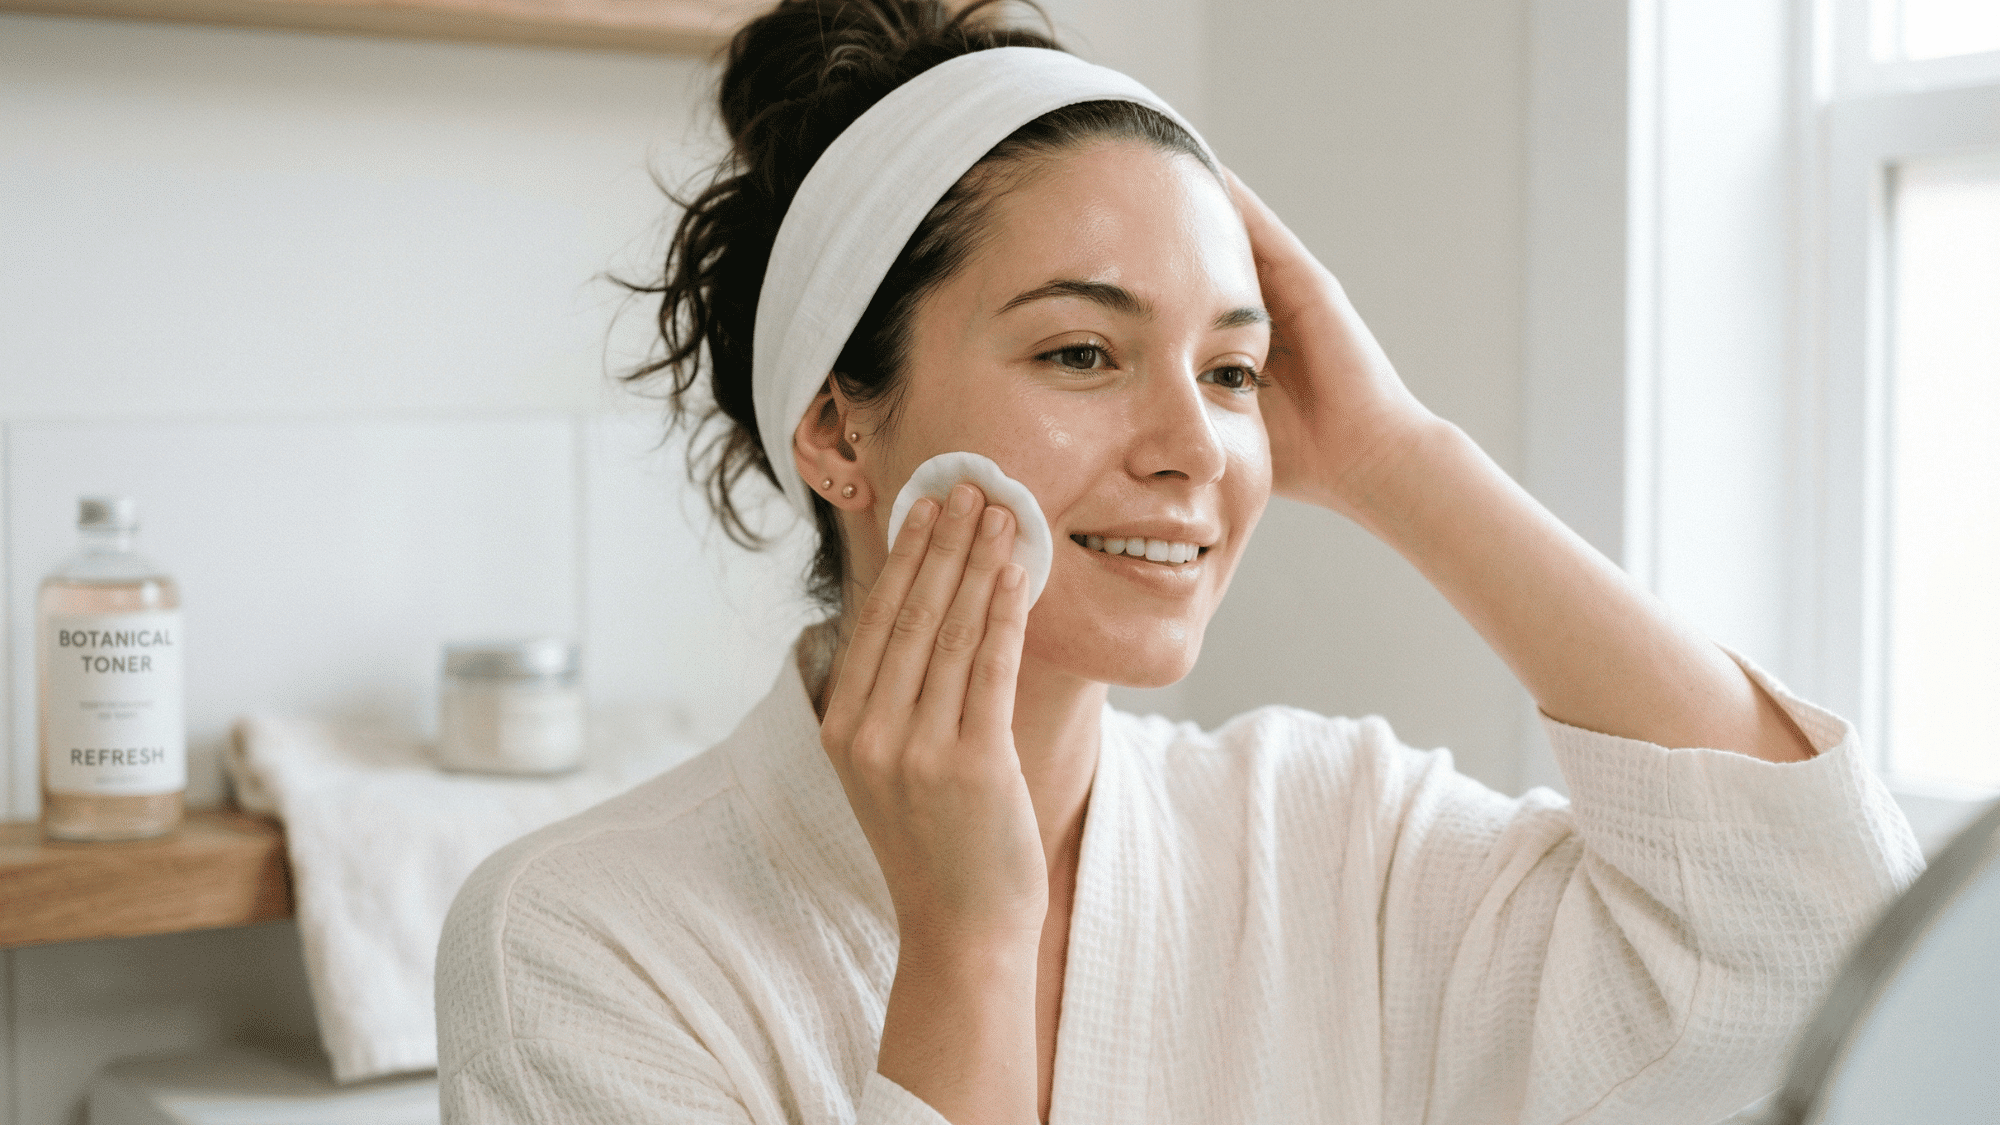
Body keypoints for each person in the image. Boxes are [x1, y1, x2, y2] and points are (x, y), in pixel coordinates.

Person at [435, 2, 1924, 1122]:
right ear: (838, 427)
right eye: (1083, 351)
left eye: (1232, 371)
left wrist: (1402, 457)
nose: (1196, 445)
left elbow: (1825, 947)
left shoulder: (1335, 833)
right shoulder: (581, 941)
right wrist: (966, 944)